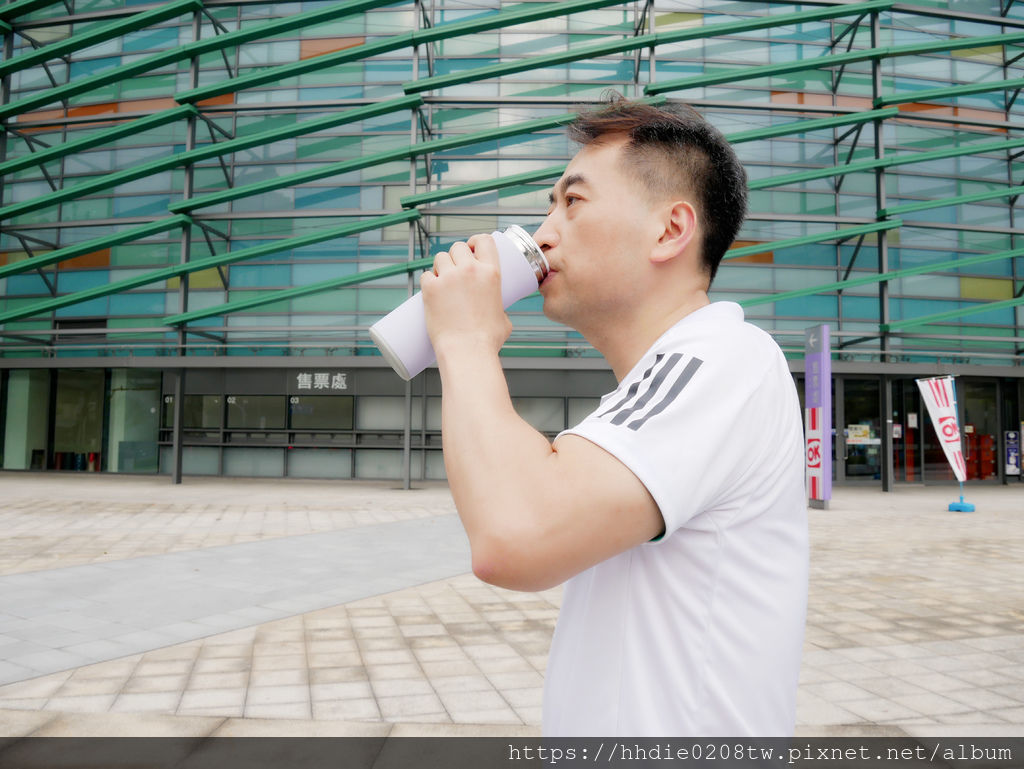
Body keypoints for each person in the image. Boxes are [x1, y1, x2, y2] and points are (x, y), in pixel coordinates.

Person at [419, 95, 808, 737]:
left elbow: (514, 537)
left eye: (572, 202)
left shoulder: (721, 356)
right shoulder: (655, 390)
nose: (543, 233)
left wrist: (464, 342)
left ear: (670, 230)